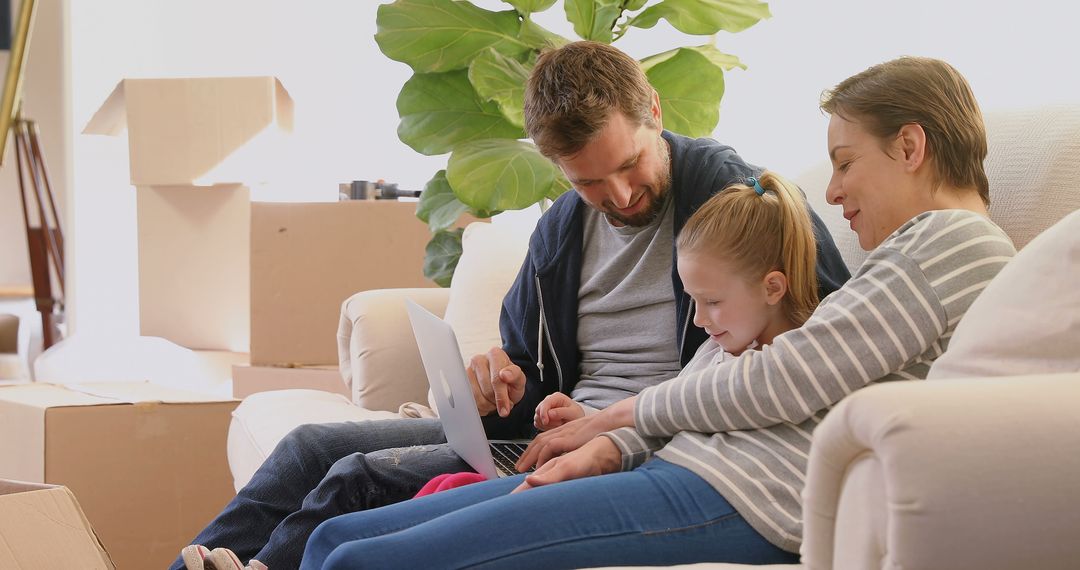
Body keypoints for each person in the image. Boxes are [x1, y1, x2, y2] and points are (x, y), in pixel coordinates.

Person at [299, 56, 1018, 569]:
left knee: (360, 560)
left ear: (912, 146)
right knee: (333, 542)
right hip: (682, 464)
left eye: (844, 161)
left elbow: (787, 381)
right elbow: (741, 364)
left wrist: (614, 419)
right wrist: (616, 445)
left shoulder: (954, 245)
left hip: (742, 495)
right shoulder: (908, 255)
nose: (830, 191)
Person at [174, 41, 849, 570]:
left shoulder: (735, 200)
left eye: (629, 165)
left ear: (657, 116)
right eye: (588, 180)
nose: (617, 195)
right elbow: (532, 372)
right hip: (548, 431)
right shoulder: (562, 231)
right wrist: (508, 381)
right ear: (554, 165)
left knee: (358, 477)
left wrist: (606, 423)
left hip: (638, 440)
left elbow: (817, 331)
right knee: (306, 447)